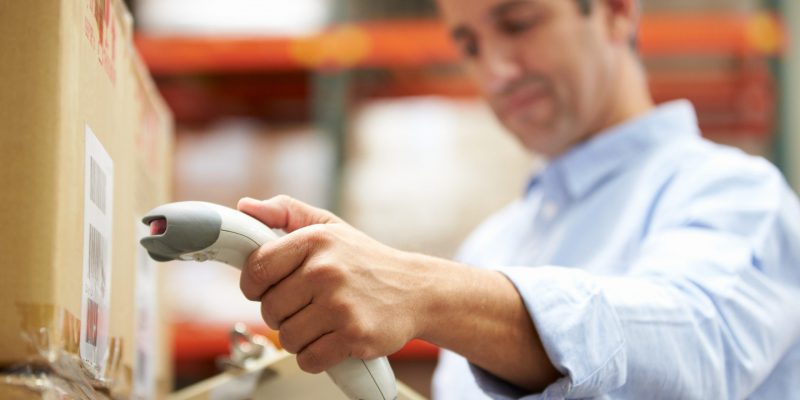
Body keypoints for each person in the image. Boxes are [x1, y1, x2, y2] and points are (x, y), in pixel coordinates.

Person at [236, 0, 800, 398]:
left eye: (519, 22)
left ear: (616, 9)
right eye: (470, 45)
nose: (497, 70)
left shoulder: (736, 195)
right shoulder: (494, 243)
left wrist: (421, 291)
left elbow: (696, 349)